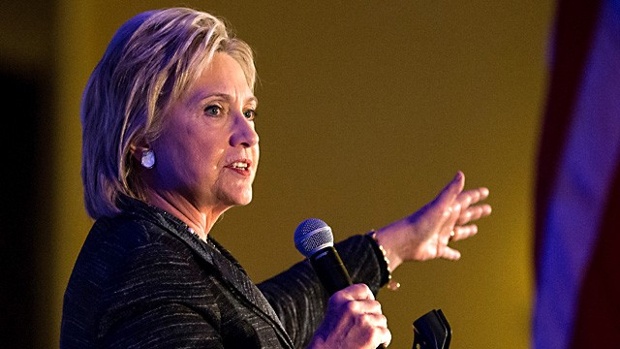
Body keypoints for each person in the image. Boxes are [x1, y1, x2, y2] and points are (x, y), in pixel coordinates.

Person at [60, 7, 492, 349]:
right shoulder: (145, 269)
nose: (247, 135)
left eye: (248, 112)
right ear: (140, 136)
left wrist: (402, 241)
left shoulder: (166, 248)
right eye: (214, 109)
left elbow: (266, 323)